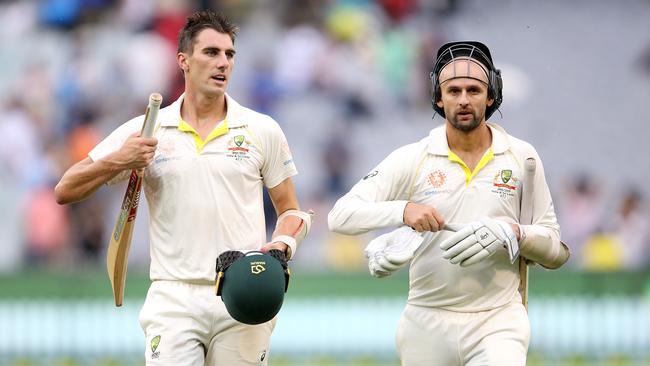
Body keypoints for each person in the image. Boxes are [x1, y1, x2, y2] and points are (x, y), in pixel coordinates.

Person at [55, 10, 312, 365]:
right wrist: (120, 160)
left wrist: (283, 244)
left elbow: (291, 210)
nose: (223, 63)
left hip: (241, 292)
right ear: (184, 60)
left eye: (229, 54)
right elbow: (65, 189)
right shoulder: (149, 129)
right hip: (173, 298)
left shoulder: (261, 129)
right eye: (211, 52)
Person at [328, 41, 569, 365]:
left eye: (474, 90)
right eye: (453, 91)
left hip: (497, 320)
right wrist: (403, 211)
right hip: (426, 322)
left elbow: (556, 251)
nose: (464, 100)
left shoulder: (522, 157)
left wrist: (512, 232)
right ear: (438, 97)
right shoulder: (414, 157)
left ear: (492, 95)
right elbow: (340, 216)